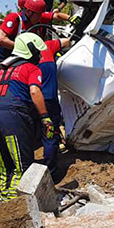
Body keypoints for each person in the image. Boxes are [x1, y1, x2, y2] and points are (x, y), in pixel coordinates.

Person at [0, 33, 56, 200]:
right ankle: (19, 202)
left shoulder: (4, 71)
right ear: (30, 51)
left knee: (4, 162)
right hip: (13, 116)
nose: (40, 55)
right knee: (22, 162)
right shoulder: (32, 68)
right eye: (38, 52)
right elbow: (35, 91)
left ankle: (6, 196)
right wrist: (45, 118)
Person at [0, 0, 79, 67]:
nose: (40, 17)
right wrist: (24, 48)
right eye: (38, 14)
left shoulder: (38, 15)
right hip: (9, 61)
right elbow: (0, 39)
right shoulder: (15, 18)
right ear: (28, 12)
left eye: (41, 14)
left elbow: (56, 15)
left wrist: (69, 18)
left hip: (27, 61)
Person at [39, 37, 71, 180]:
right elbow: (67, 41)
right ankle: (51, 173)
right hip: (49, 101)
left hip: (29, 101)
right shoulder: (48, 46)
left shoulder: (21, 57)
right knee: (50, 135)